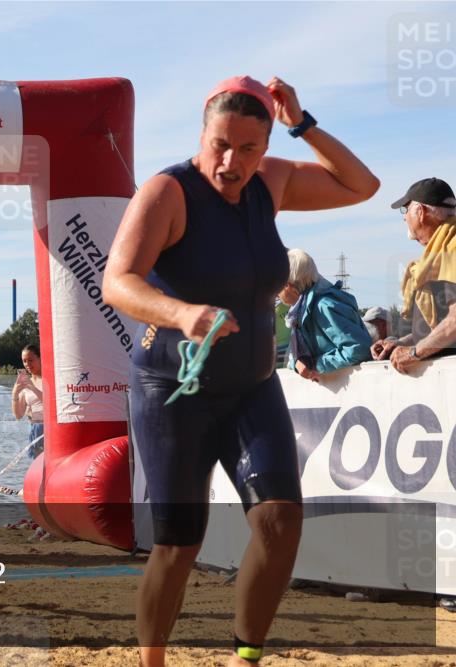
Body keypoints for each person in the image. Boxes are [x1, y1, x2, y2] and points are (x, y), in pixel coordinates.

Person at [102, 75, 379, 667]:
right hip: (174, 390)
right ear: (202, 134)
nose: (230, 162)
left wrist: (304, 124)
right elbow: (117, 281)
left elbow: (363, 186)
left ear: (266, 146)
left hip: (252, 387)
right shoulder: (168, 192)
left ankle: (245, 656)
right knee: (179, 545)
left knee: (281, 525)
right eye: (220, 144)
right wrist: (182, 313)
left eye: (248, 149)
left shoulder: (270, 182)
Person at [372, 177, 456, 373]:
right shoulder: (438, 253)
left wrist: (414, 353)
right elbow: (434, 328)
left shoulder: (451, 249)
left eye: (406, 209)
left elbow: (453, 323)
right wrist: (398, 343)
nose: (404, 217)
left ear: (421, 211)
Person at [279, 248, 372, 380]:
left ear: (288, 286)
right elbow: (295, 359)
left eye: (277, 285)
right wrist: (298, 364)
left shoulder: (324, 306)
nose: (275, 291)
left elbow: (358, 349)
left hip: (349, 392)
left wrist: (316, 364)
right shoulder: (299, 312)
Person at [11, 343, 44, 458]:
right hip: (34, 429)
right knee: (38, 469)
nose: (27, 364)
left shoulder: (49, 378)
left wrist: (33, 388)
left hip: (48, 429)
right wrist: (15, 393)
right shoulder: (26, 383)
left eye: (30, 360)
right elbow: (18, 415)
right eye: (24, 361)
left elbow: (51, 403)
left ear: (40, 358)